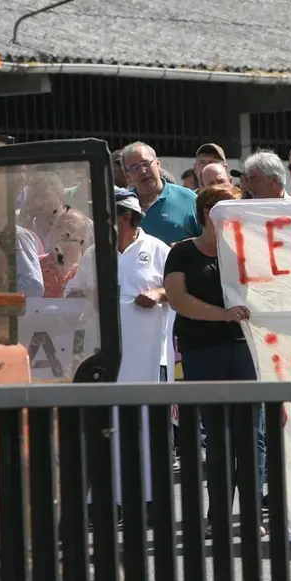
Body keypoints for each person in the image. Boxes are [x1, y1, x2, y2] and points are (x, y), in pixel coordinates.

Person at [163, 184, 266, 538]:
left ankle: (252, 516)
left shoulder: (244, 254)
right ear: (208, 213)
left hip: (244, 352)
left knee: (250, 436)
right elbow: (178, 300)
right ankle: (217, 516)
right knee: (218, 438)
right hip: (201, 353)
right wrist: (223, 315)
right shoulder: (182, 254)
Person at [66, 187, 171, 515]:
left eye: (107, 215)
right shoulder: (95, 253)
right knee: (106, 423)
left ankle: (150, 501)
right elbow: (73, 292)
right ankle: (106, 502)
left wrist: (159, 292)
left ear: (126, 216)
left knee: (145, 426)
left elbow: (179, 289)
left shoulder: (157, 250)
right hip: (106, 359)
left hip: (149, 358)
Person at [120, 142, 202, 246]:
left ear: (158, 164)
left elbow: (208, 243)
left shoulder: (189, 199)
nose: (143, 171)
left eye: (146, 163)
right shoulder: (122, 206)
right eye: (134, 168)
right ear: (127, 177)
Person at [39, 207, 93, 298]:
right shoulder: (37, 266)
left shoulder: (90, 268)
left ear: (84, 235)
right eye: (59, 227)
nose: (64, 232)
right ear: (51, 231)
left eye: (71, 228)